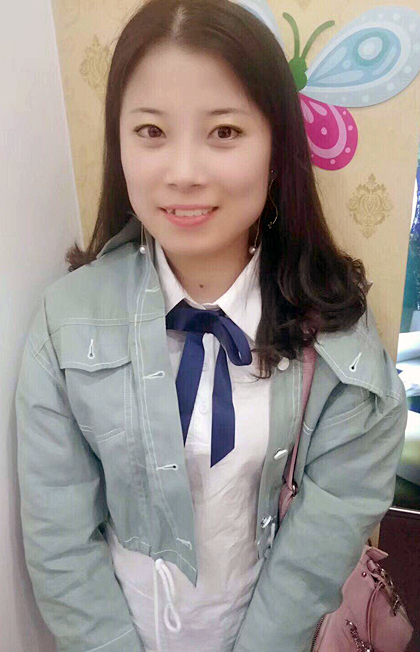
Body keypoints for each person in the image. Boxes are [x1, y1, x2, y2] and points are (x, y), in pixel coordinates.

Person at [15, 0, 408, 651]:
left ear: (276, 148)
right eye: (151, 131)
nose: (184, 173)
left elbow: (319, 548)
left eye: (224, 132)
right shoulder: (65, 322)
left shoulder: (340, 343)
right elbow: (58, 542)